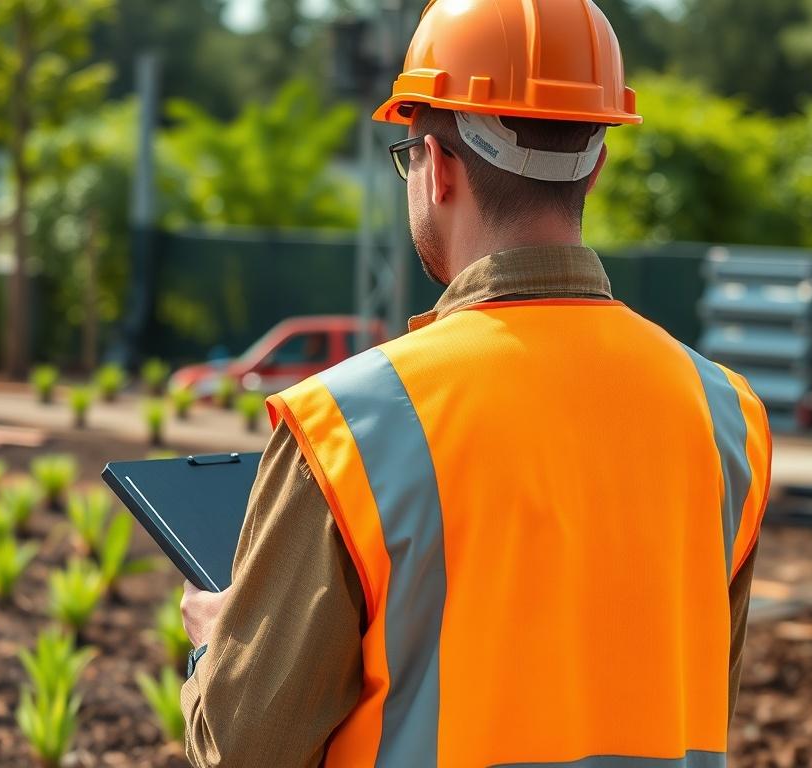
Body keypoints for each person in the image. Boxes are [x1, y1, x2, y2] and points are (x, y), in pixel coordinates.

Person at [179, 0, 772, 765]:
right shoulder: (727, 416)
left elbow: (244, 750)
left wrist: (219, 650)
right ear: (596, 160)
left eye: (407, 155)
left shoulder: (351, 426)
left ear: (438, 165)